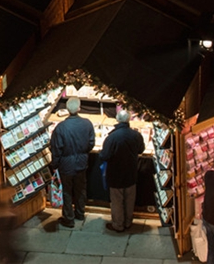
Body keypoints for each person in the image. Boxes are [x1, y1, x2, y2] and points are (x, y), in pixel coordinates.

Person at [49, 96, 95, 228]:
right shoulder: (87, 123)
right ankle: (80, 213)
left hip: (66, 165)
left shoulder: (61, 127)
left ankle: (68, 218)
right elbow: (91, 143)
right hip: (82, 162)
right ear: (79, 108)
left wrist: (55, 164)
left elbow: (56, 148)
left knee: (67, 191)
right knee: (81, 189)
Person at [99, 110, 145, 233]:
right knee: (130, 199)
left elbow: (104, 155)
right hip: (131, 173)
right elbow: (141, 149)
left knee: (117, 201)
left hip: (115, 174)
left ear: (117, 120)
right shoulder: (136, 135)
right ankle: (128, 222)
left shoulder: (112, 137)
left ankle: (118, 225)